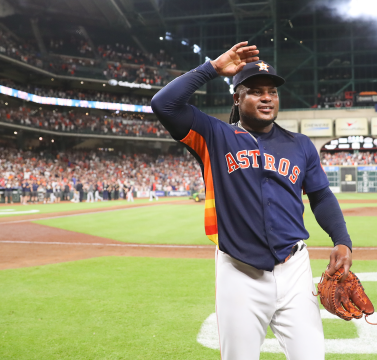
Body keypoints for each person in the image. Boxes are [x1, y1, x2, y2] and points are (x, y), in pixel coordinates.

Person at [151, 42, 353, 360]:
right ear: (237, 97)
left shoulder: (299, 144)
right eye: (256, 91)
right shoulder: (214, 137)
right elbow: (164, 104)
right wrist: (213, 68)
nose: (266, 97)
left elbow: (321, 195)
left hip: (294, 269)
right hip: (239, 272)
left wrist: (342, 240)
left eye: (271, 91)